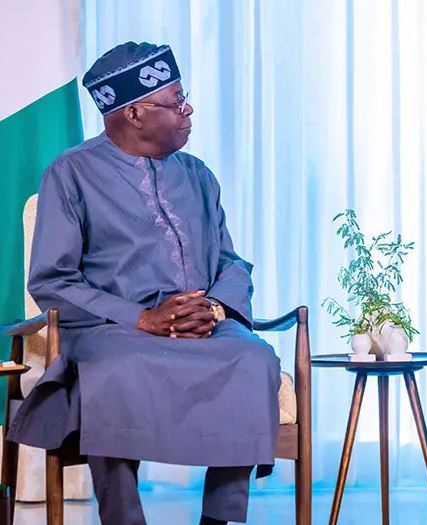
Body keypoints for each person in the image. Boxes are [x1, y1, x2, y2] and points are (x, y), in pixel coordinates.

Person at [8, 42, 281, 525]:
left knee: (254, 358)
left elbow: (230, 262)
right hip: (112, 329)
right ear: (133, 113)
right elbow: (52, 279)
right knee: (115, 370)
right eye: (176, 102)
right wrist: (142, 318)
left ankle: (218, 519)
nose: (188, 110)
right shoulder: (70, 174)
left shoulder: (198, 175)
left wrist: (214, 308)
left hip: (204, 324)